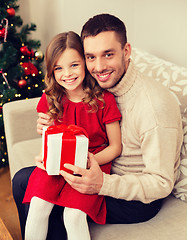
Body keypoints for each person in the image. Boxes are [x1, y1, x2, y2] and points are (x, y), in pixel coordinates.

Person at [12, 14, 183, 239]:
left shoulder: (154, 106)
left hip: (134, 196)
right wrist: (50, 130)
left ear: (127, 51)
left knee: (57, 209)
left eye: (108, 54)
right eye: (91, 57)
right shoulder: (101, 83)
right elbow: (73, 111)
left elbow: (160, 183)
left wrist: (101, 183)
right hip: (93, 167)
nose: (99, 66)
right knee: (23, 181)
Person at [22, 31, 122, 240]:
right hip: (57, 162)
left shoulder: (105, 100)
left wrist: (88, 161)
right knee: (38, 205)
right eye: (58, 68)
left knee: (74, 216)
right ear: (51, 70)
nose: (67, 73)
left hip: (90, 163)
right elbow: (47, 134)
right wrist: (44, 150)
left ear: (85, 63)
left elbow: (115, 147)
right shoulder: (51, 97)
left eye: (74, 65)